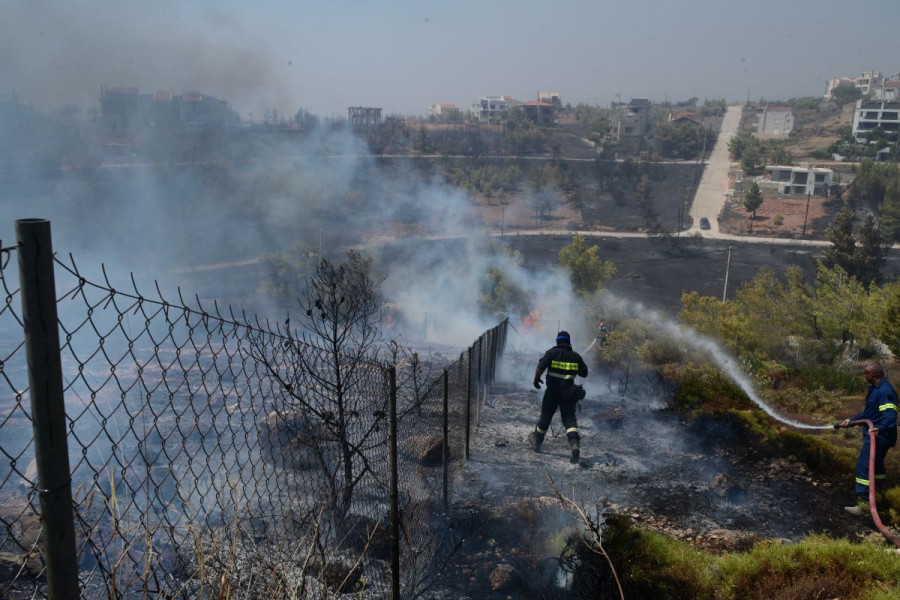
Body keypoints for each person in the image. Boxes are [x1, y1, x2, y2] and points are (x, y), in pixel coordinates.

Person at [839, 362, 898, 515]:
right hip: (876, 435)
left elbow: (891, 416)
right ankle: (876, 496)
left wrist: (879, 428)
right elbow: (868, 414)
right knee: (877, 468)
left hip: (878, 437)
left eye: (866, 374)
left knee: (864, 468)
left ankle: (864, 505)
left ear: (873, 375)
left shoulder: (886, 391)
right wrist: (851, 421)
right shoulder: (875, 390)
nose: (864, 376)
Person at [530, 331, 589, 464]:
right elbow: (584, 373)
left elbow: (540, 366)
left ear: (557, 342)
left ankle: (537, 443)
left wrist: (536, 379)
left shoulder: (551, 353)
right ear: (568, 342)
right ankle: (574, 446)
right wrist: (577, 363)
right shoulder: (576, 356)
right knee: (570, 421)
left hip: (552, 392)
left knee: (545, 418)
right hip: (569, 393)